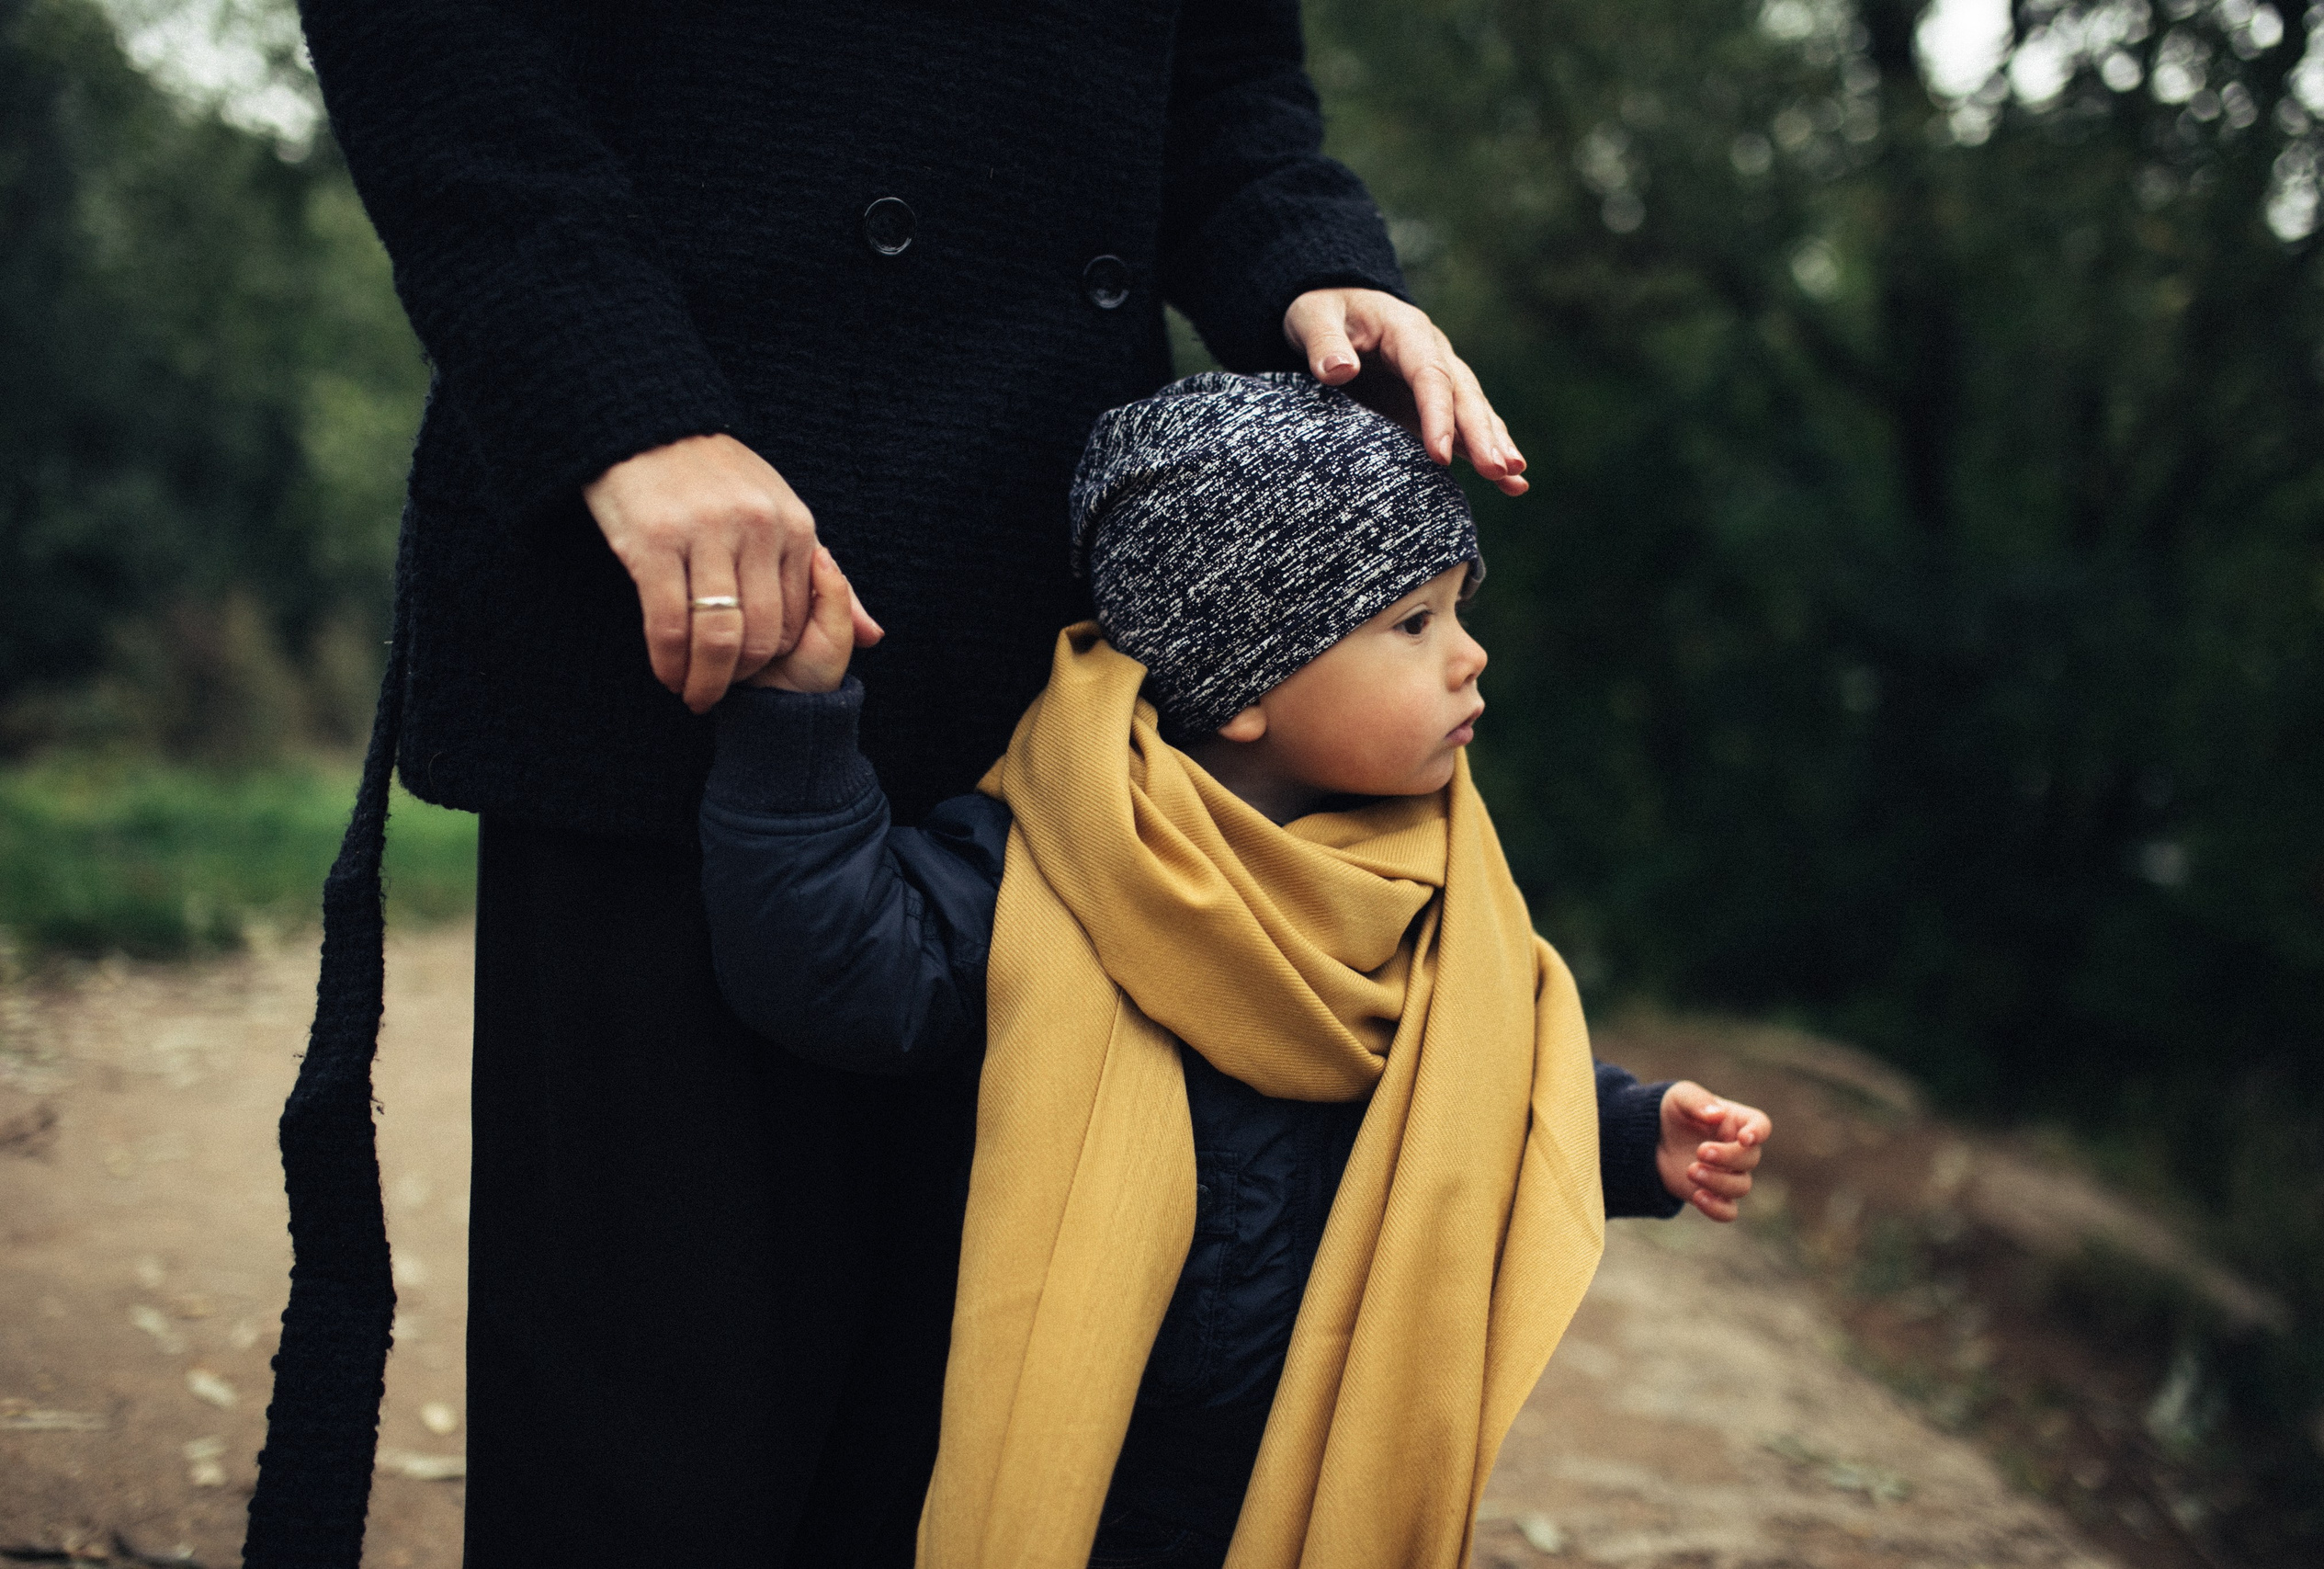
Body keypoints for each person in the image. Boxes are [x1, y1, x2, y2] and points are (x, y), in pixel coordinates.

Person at [251, 9, 1542, 1569]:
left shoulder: (1178, 811)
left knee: (968, 1450)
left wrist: (1310, 258)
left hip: (1048, 663)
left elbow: (1222, 80)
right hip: (689, 617)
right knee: (659, 1440)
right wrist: (619, 397)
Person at [699, 373, 1773, 1568]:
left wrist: (1630, 1133)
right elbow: (847, 973)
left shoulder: (1422, 886)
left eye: (1460, 612)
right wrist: (795, 728)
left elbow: (1478, 1079)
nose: (1469, 658)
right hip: (1074, 1463)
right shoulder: (1050, 863)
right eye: (1411, 624)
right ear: (1248, 679)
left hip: (1291, 1465)